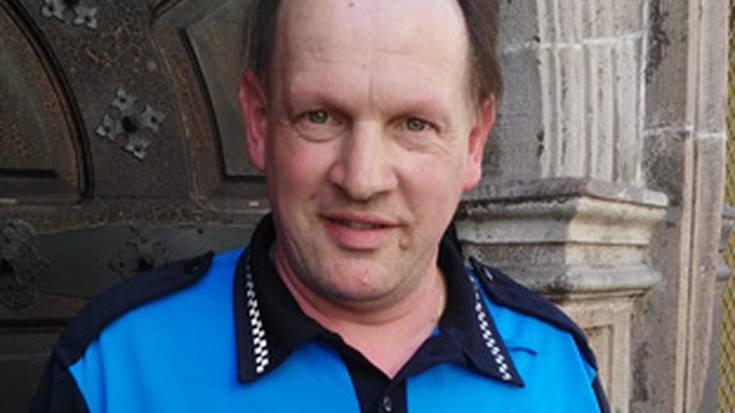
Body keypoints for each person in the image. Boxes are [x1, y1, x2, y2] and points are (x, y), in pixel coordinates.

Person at [30, 0, 610, 412]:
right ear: (259, 121)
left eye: (414, 124)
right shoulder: (114, 367)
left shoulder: (559, 367)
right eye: (320, 116)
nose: (362, 179)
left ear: (474, 142)